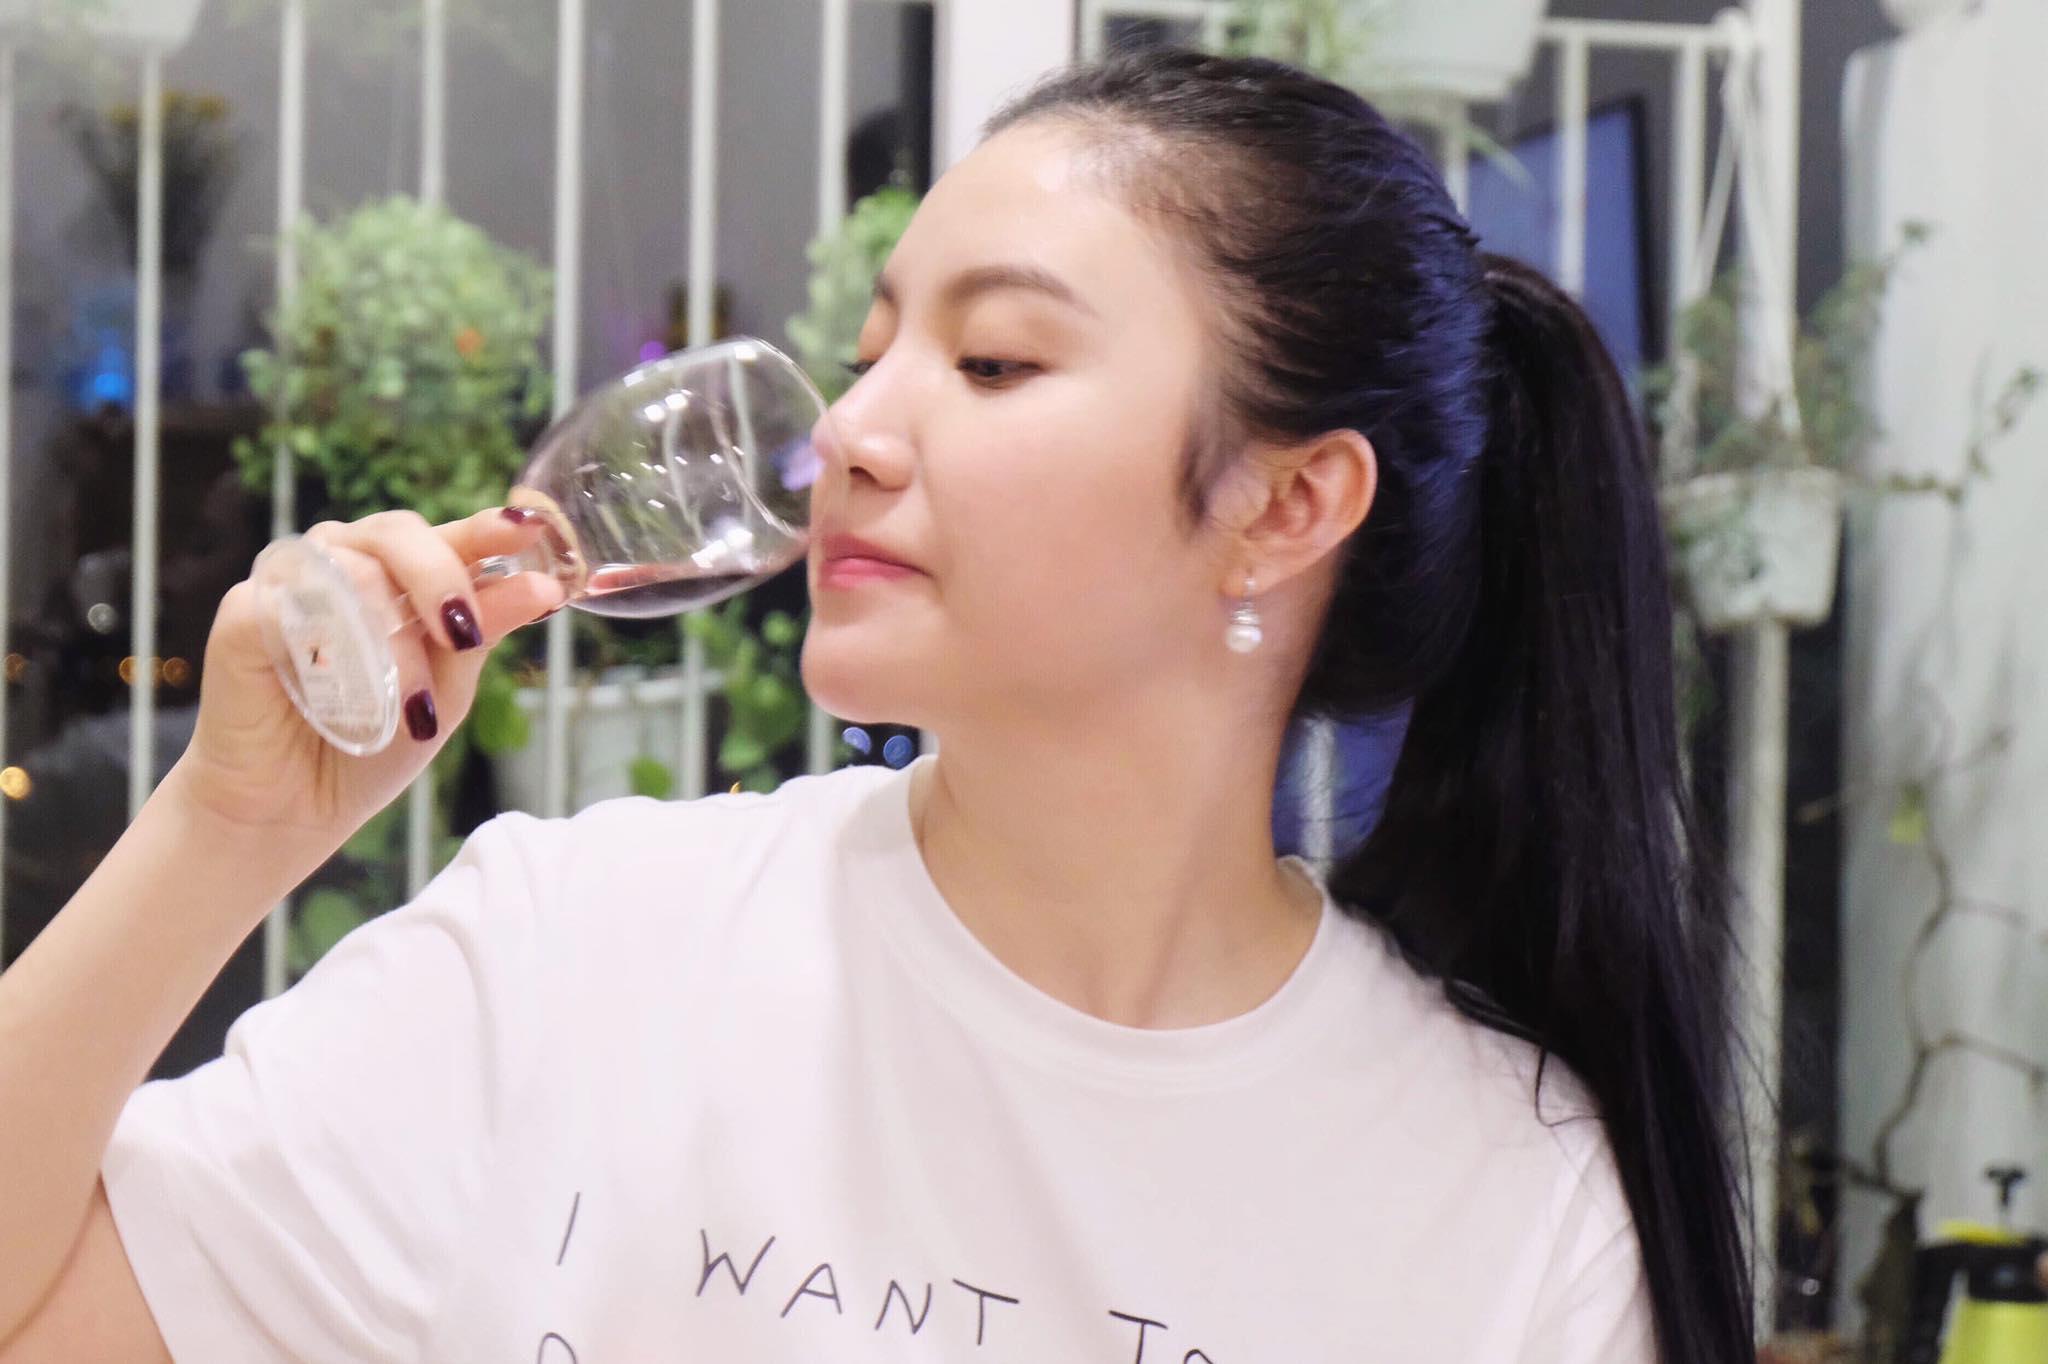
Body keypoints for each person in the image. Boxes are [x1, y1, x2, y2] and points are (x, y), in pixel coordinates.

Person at [0, 48, 1753, 1363]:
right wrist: (227, 830)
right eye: (869, 355)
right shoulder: (577, 955)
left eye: (993, 362)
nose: (849, 433)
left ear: (1288, 504)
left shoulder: (1505, 1204)